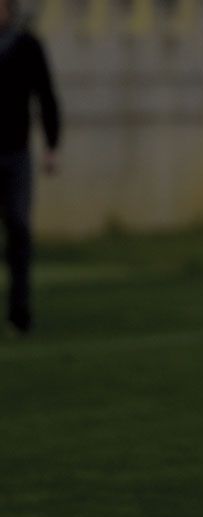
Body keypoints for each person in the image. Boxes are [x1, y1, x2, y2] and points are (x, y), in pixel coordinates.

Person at [0, 0, 59, 336]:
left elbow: (46, 95)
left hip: (16, 154)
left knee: (19, 230)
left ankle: (19, 312)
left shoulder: (26, 46)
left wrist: (51, 146)